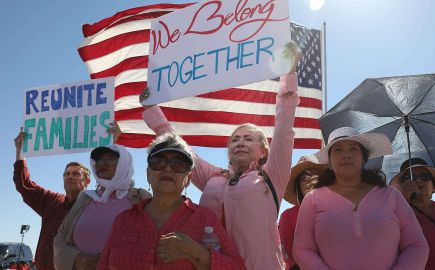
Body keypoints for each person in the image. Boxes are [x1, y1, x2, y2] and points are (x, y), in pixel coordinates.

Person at [140, 43, 300, 269]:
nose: (240, 143)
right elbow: (178, 146)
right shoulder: (212, 177)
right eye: (235, 139)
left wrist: (289, 74)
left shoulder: (272, 176)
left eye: (248, 138)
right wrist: (151, 109)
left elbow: (284, 128)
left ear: (263, 150)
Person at [97, 133, 245, 269]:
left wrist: (197, 253)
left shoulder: (205, 218)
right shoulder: (123, 220)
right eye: (159, 162)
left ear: (188, 179)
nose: (168, 169)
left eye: (178, 165)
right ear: (148, 174)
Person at [293, 127, 429, 270]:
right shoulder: (312, 200)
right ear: (329, 159)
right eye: (338, 150)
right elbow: (302, 249)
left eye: (353, 149)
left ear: (364, 157)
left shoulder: (391, 195)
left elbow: (417, 245)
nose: (346, 155)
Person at [53, 143, 151, 270]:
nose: (103, 163)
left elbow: (156, 237)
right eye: (100, 160)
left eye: (111, 159)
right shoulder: (86, 198)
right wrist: (76, 259)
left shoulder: (140, 197)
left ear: (124, 164)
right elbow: (61, 236)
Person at [13, 128, 91, 270]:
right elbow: (24, 185)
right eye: (66, 174)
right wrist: (20, 151)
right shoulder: (52, 201)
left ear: (87, 182)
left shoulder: (94, 207)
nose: (70, 176)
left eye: (76, 174)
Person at [278, 157, 327, 270]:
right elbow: (288, 255)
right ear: (297, 185)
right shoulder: (288, 216)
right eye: (304, 177)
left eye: (315, 174)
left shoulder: (338, 209)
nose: (310, 180)